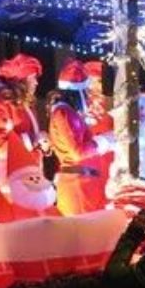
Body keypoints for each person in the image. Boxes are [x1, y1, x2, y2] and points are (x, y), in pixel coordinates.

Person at [48, 60, 115, 216]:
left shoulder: (69, 112)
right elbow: (76, 152)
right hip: (78, 185)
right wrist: (106, 141)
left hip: (86, 182)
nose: (89, 92)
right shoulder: (63, 113)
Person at [0, 53, 46, 193]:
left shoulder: (25, 104)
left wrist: (42, 143)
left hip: (31, 174)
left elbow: (31, 138)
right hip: (13, 179)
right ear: (20, 81)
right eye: (32, 78)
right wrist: (33, 140)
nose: (36, 83)